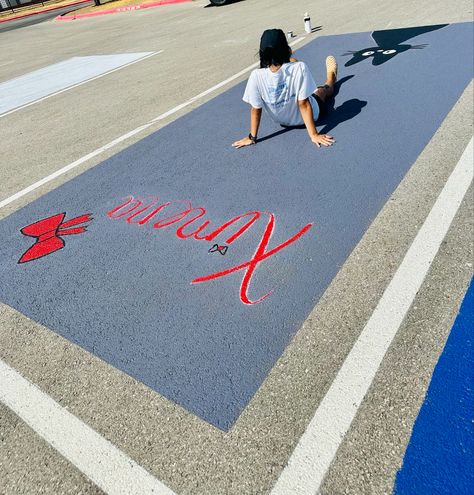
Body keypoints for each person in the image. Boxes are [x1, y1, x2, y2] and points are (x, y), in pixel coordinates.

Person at [232, 28, 337, 149]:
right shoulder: (300, 68)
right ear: (286, 48)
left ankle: (290, 64)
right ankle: (330, 79)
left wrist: (252, 137)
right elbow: (303, 103)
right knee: (320, 91)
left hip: (282, 121)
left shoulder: (255, 76)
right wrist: (314, 134)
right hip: (310, 116)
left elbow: (256, 109)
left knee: (293, 64)